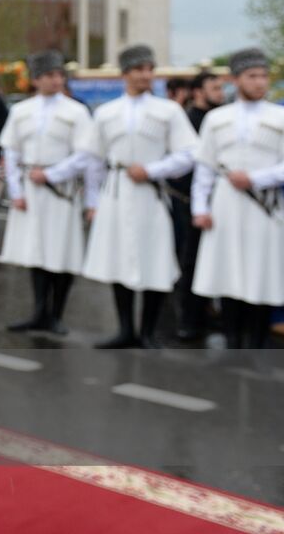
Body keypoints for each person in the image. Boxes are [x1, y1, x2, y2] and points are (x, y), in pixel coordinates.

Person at [82, 44, 198, 348]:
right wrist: (92, 202)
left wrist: (153, 170)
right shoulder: (106, 112)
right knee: (118, 258)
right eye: (139, 69)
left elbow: (189, 153)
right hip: (116, 194)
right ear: (125, 74)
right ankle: (124, 330)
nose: (146, 74)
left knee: (155, 259)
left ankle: (147, 332)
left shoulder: (168, 111)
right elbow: (93, 159)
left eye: (150, 68)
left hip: (150, 195)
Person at [0, 50, 98, 333]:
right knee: (36, 253)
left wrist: (52, 174)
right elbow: (12, 151)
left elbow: (85, 155)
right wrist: (16, 190)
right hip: (31, 189)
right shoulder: (21, 111)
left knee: (61, 251)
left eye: (59, 75)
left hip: (60, 190)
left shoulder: (76, 111)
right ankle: (39, 311)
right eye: (50, 75)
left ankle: (57, 314)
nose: (56, 80)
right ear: (36, 80)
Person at [190, 48, 284, 348]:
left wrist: (256, 178)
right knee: (227, 268)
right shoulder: (217, 118)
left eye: (263, 76)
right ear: (236, 80)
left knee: (262, 270)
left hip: (264, 205)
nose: (259, 82)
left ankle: (257, 342)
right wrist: (200, 208)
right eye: (252, 76)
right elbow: (204, 166)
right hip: (226, 204)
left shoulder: (280, 116)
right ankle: (232, 340)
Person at [176, 69, 225, 337]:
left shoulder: (222, 118)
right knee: (192, 261)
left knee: (219, 260)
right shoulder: (188, 120)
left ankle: (214, 314)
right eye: (215, 88)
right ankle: (190, 320)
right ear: (198, 92)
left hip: (224, 202)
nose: (221, 93)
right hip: (191, 202)